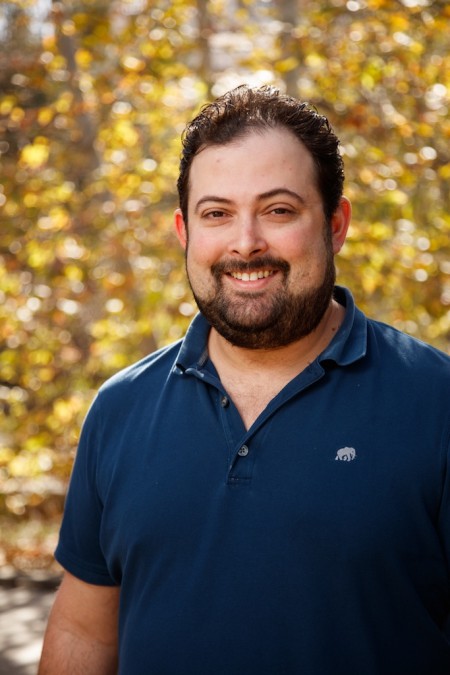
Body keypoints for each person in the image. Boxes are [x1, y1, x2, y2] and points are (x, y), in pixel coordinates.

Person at [39, 85, 450, 675]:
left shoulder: (435, 402)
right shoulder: (121, 407)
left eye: (278, 210)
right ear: (185, 232)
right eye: (217, 214)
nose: (245, 242)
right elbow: (83, 631)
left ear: (335, 224)